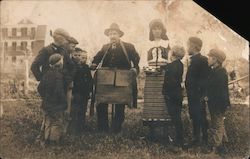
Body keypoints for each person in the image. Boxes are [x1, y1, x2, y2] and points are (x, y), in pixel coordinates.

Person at [91, 23, 140, 133]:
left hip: (122, 79)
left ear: (119, 35)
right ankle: (103, 128)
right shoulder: (105, 47)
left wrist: (135, 68)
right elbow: (97, 58)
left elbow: (136, 59)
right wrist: (94, 63)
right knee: (102, 102)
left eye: (115, 33)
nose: (112, 36)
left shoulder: (128, 47)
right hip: (106, 79)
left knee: (120, 103)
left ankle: (116, 128)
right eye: (110, 34)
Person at [37, 53, 67, 145]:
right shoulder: (58, 75)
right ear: (60, 64)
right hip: (56, 104)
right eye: (62, 61)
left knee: (48, 122)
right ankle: (53, 142)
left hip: (46, 103)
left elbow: (39, 88)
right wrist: (64, 102)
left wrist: (45, 97)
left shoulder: (47, 74)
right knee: (56, 122)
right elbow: (59, 91)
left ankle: (45, 140)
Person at [185, 37, 209, 147]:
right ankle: (196, 138)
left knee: (201, 116)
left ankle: (205, 139)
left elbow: (205, 78)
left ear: (194, 46)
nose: (187, 47)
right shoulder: (193, 59)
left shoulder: (203, 60)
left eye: (188, 45)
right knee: (194, 115)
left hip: (198, 94)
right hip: (192, 94)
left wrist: (202, 92)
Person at [204, 49, 230, 154]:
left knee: (216, 124)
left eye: (210, 57)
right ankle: (224, 142)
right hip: (216, 102)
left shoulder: (220, 72)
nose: (208, 59)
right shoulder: (215, 70)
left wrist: (208, 96)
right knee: (219, 122)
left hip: (218, 103)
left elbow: (218, 89)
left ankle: (216, 147)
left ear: (215, 59)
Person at [162, 45, 185, 148]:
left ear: (173, 54)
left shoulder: (171, 66)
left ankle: (179, 139)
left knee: (174, 117)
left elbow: (169, 81)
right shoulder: (180, 64)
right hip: (178, 94)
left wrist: (166, 93)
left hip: (171, 95)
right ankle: (180, 137)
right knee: (177, 116)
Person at [69, 48, 93, 135]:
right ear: (72, 55)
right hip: (76, 92)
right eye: (76, 55)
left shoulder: (86, 67)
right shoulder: (71, 66)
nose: (78, 58)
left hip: (84, 93)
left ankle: (81, 128)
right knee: (74, 110)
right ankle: (73, 129)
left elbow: (90, 80)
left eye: (81, 56)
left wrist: (89, 91)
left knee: (82, 110)